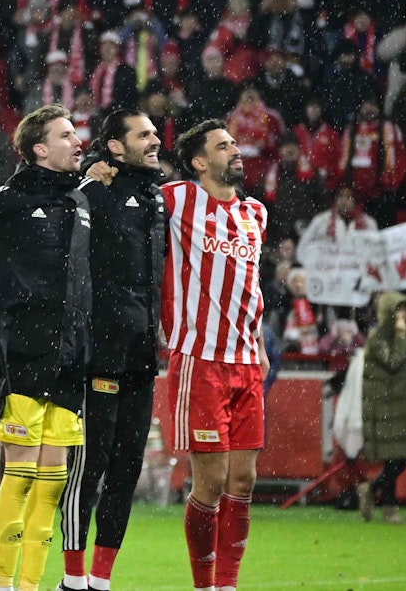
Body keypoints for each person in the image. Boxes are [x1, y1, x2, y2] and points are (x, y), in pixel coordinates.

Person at [0, 104, 92, 591]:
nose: (77, 141)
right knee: (20, 475)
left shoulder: (80, 201)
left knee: (53, 482)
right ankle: (3, 585)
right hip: (19, 352)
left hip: (69, 355)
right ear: (39, 148)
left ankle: (31, 585)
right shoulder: (7, 201)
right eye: (66, 135)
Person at [59, 110, 166, 591]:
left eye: (155, 132)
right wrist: (88, 173)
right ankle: (72, 578)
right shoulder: (93, 192)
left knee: (127, 470)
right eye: (144, 134)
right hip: (100, 352)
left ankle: (101, 580)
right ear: (116, 146)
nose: (155, 140)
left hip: (142, 354)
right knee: (88, 469)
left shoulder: (157, 198)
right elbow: (52, 201)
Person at [163, 119, 266, 591]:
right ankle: (204, 585)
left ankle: (228, 585)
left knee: (243, 482)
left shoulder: (255, 214)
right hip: (200, 361)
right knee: (209, 483)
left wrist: (259, 344)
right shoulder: (177, 199)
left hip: (246, 361)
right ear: (200, 163)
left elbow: (251, 287)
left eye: (234, 143)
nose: (235, 150)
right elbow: (125, 196)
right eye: (223, 146)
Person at [359, 292, 406, 525]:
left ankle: (371, 489)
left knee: (399, 459)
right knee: (394, 458)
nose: (403, 314)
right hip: (385, 408)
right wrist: (401, 336)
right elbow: (393, 362)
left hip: (400, 407)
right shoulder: (378, 337)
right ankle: (389, 507)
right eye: (399, 310)